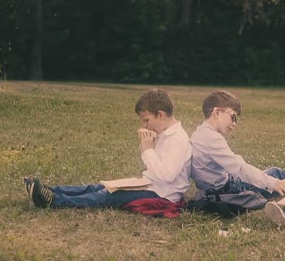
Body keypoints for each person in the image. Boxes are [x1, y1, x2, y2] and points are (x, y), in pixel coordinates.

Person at [24, 89, 192, 213]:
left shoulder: (178, 139)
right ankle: (52, 190)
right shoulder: (165, 134)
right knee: (100, 187)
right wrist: (149, 148)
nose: (145, 125)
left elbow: (168, 176)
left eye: (147, 120)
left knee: (107, 196)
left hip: (161, 195)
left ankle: (53, 200)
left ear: (161, 115)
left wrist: (147, 151)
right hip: (149, 184)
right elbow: (157, 167)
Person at [190, 90, 285, 203]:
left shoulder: (198, 134)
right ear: (217, 112)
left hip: (214, 190)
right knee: (276, 173)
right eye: (233, 117)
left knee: (269, 175)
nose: (234, 123)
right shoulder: (212, 138)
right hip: (229, 189)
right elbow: (240, 169)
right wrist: (273, 183)